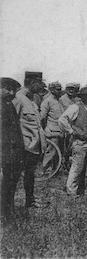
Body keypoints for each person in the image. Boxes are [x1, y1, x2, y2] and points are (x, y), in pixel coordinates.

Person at [12, 75, 47, 208]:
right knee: (14, 177)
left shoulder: (31, 99)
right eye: (39, 84)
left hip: (33, 146)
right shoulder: (19, 98)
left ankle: (30, 200)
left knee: (29, 174)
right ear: (32, 82)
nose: (41, 87)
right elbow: (11, 122)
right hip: (23, 147)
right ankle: (8, 205)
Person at [59, 86, 87, 196]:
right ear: (82, 97)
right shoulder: (75, 107)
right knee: (77, 166)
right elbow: (62, 120)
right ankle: (71, 191)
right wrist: (71, 131)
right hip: (79, 141)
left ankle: (82, 190)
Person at [1, 78, 24, 223]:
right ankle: (4, 213)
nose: (11, 93)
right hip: (5, 153)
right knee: (6, 183)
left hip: (12, 153)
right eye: (8, 89)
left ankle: (8, 210)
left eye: (13, 90)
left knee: (10, 183)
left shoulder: (8, 105)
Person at [40, 81, 64, 175]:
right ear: (52, 90)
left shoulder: (59, 100)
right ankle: (45, 170)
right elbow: (42, 117)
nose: (60, 91)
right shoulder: (47, 101)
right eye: (58, 89)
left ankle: (55, 171)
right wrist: (44, 129)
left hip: (60, 130)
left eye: (60, 89)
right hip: (52, 131)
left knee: (58, 154)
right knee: (50, 152)